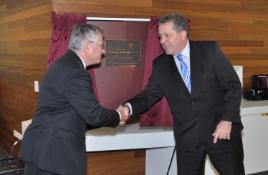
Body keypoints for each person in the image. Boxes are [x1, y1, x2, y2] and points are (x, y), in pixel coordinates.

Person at [123, 14, 245, 175]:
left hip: (222, 133)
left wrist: (226, 119)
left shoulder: (209, 51)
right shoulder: (160, 65)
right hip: (188, 139)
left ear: (183, 33)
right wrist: (128, 108)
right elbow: (149, 95)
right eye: (160, 36)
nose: (162, 41)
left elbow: (233, 86)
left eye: (167, 35)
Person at [19, 24, 128, 175]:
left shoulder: (64, 64)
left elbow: (74, 113)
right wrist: (117, 116)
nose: (103, 51)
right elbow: (93, 115)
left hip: (42, 151)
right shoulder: (75, 72)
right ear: (89, 46)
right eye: (101, 46)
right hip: (55, 156)